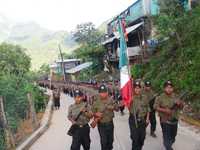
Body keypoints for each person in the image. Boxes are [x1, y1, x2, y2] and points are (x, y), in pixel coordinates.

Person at [154, 81, 184, 150]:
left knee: (173, 138)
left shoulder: (176, 96)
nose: (169, 89)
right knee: (167, 140)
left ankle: (168, 145)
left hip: (174, 120)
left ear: (172, 88)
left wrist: (180, 104)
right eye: (167, 87)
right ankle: (167, 146)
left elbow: (181, 107)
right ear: (164, 88)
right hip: (165, 121)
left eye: (170, 87)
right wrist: (165, 110)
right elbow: (155, 106)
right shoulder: (160, 97)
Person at [92, 84, 119, 150]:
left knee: (110, 141)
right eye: (101, 92)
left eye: (104, 92)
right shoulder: (96, 102)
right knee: (104, 141)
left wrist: (111, 107)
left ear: (107, 92)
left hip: (110, 123)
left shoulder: (111, 100)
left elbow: (117, 109)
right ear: (99, 93)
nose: (103, 94)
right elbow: (91, 112)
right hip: (101, 125)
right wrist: (96, 114)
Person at [129, 81, 150, 150]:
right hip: (133, 120)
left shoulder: (145, 97)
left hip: (142, 120)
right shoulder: (131, 97)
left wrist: (147, 118)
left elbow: (148, 108)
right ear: (133, 89)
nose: (137, 89)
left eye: (138, 88)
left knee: (142, 138)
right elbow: (129, 109)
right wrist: (130, 102)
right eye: (135, 88)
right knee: (135, 138)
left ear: (141, 89)